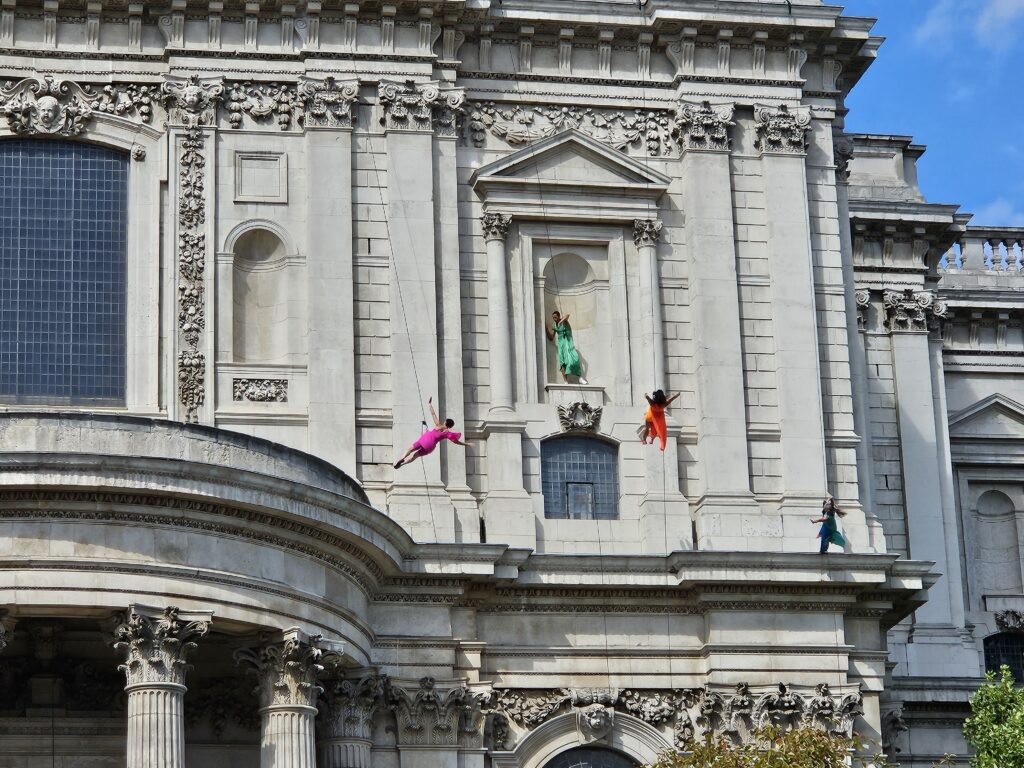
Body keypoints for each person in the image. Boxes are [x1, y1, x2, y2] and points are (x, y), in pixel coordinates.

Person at [394, 396, 468, 469]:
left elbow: (433, 414)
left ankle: (402, 458)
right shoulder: (448, 434)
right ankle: (402, 464)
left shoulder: (439, 425)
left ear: (445, 422)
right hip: (430, 447)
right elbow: (456, 442)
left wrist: (429, 404)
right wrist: (466, 444)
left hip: (425, 440)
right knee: (415, 456)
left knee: (409, 449)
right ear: (450, 426)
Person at [545, 310, 588, 385]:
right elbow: (551, 337)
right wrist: (547, 331)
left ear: (558, 316)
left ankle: (580, 377)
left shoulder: (563, 322)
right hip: (561, 345)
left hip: (568, 342)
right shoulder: (555, 325)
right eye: (553, 318)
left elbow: (567, 315)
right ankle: (565, 381)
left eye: (555, 317)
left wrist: (561, 321)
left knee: (574, 359)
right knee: (563, 362)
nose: (554, 319)